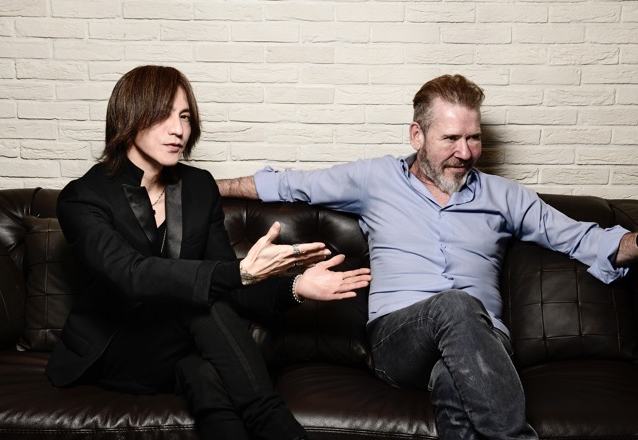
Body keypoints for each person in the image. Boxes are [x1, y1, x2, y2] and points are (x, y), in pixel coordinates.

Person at [217, 74, 638, 440]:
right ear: (417, 135)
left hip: (485, 346)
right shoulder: (374, 179)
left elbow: (581, 238)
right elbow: (287, 184)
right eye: (451, 139)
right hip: (399, 340)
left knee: (453, 384)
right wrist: (201, 188)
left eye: (473, 138)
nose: (465, 152)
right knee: (455, 304)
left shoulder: (504, 196)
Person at [45, 65, 371, 440]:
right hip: (119, 347)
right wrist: (239, 273)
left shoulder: (199, 187)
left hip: (180, 348)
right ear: (130, 117)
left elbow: (228, 285)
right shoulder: (82, 197)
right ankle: (275, 423)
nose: (179, 130)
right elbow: (133, 275)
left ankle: (270, 423)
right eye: (164, 115)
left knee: (204, 374)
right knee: (200, 303)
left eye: (184, 116)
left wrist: (296, 287)